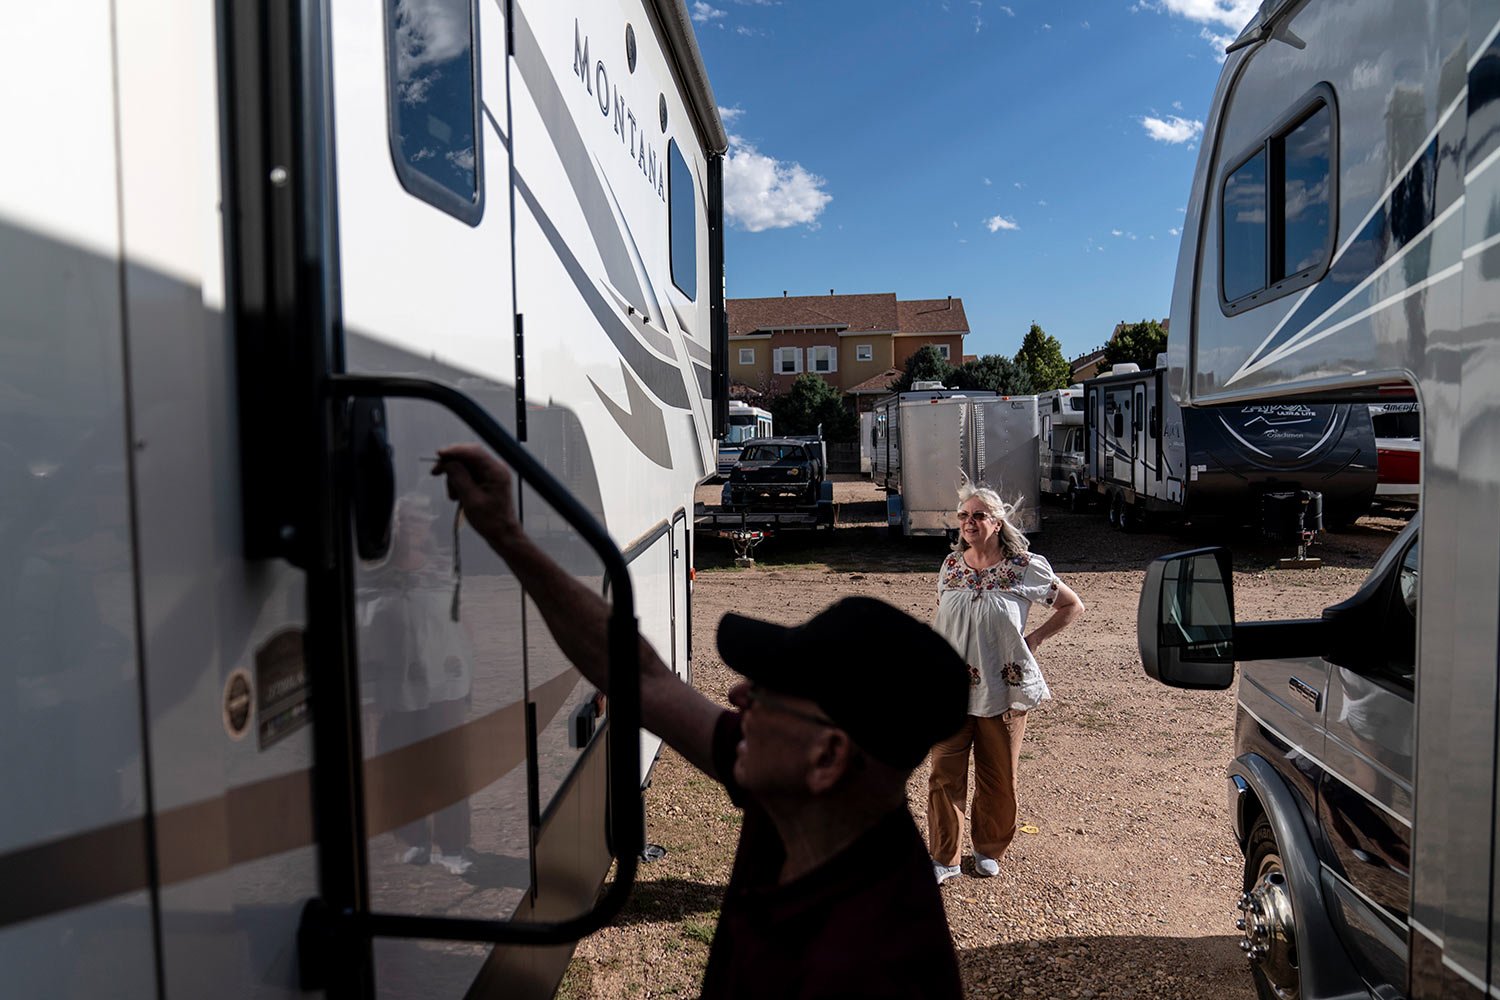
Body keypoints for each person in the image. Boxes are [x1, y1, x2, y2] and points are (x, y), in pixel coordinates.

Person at [433, 444, 969, 999]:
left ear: (828, 757)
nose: (736, 694)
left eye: (768, 694)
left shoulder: (875, 965)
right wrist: (506, 534)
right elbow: (642, 680)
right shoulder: (804, 801)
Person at [927, 479, 1084, 883]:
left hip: (1005, 687)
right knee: (944, 774)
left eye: (978, 515)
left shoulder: (1025, 566)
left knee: (998, 777)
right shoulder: (950, 567)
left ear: (997, 522)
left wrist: (1034, 639)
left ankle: (987, 849)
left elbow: (1072, 605)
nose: (969, 522)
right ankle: (944, 857)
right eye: (964, 516)